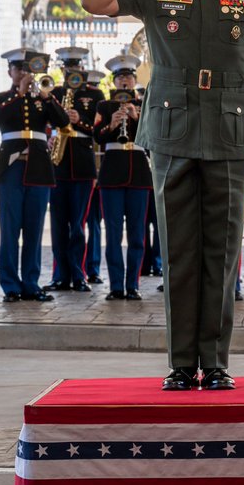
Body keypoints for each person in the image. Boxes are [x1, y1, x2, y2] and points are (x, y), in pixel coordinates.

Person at [81, 0, 244, 391]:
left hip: (232, 133)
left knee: (222, 252)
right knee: (178, 251)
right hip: (171, 133)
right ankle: (179, 364)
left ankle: (214, 363)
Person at [0, 50, 70, 303]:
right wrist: (20, 93)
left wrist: (46, 97)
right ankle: (11, 285)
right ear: (10, 71)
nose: (22, 73)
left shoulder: (43, 99)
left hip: (39, 170)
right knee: (10, 230)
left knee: (34, 231)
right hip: (11, 169)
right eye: (17, 69)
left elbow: (63, 121)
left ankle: (31, 283)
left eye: (26, 69)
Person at [93, 54, 151, 301]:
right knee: (114, 233)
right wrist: (112, 124)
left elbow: (154, 137)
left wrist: (137, 119)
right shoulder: (104, 106)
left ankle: (133, 284)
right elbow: (97, 135)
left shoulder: (145, 104)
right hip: (112, 174)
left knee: (138, 234)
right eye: (120, 78)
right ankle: (116, 285)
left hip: (138, 174)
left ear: (135, 79)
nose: (125, 82)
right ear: (114, 82)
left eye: (128, 77)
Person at [44, 47, 101, 293]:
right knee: (58, 224)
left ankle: (79, 274)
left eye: (75, 68)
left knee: (78, 224)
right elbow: (44, 125)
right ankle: (59, 275)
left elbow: (98, 131)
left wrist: (80, 121)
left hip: (82, 164)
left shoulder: (95, 94)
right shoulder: (55, 93)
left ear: (81, 69)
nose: (71, 72)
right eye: (67, 68)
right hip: (58, 164)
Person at [82, 68, 106, 284]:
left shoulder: (104, 113)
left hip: (100, 178)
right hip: (86, 174)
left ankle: (94, 268)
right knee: (83, 223)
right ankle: (81, 267)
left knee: (95, 225)